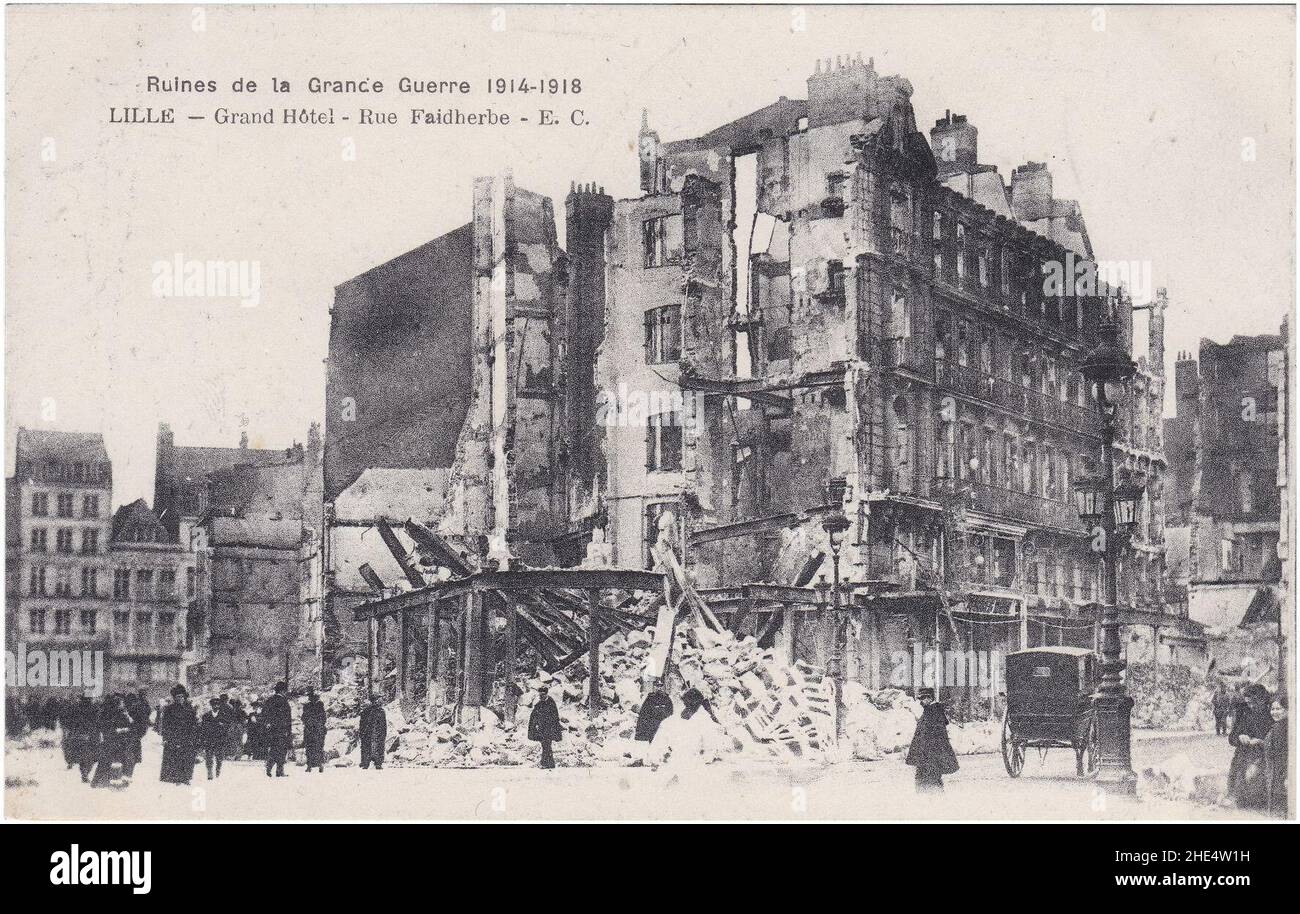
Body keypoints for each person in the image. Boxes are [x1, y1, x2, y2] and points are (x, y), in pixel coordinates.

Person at [1224, 683, 1272, 810]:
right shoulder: (1245, 714)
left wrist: (1261, 742)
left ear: (1262, 700)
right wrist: (1240, 737)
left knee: (1254, 785)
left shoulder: (1272, 715)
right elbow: (1231, 738)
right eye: (1248, 703)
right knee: (1238, 789)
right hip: (1242, 757)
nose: (1250, 706)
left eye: (1253, 703)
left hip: (1262, 757)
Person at [905, 688, 959, 793]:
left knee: (930, 782)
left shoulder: (934, 711)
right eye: (920, 698)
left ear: (929, 698)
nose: (921, 701)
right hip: (926, 756)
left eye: (923, 698)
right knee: (927, 781)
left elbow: (936, 736)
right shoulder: (929, 711)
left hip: (931, 756)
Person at [91, 695, 135, 788]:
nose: (123, 704)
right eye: (121, 703)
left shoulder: (105, 713)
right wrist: (123, 729)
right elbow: (130, 725)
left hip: (108, 741)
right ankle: (114, 783)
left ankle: (98, 782)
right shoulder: (120, 714)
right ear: (118, 704)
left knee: (105, 762)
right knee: (116, 763)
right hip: (117, 742)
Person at [159, 684, 198, 785]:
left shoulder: (190, 709)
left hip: (187, 736)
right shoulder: (169, 709)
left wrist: (194, 737)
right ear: (174, 698)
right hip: (173, 736)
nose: (180, 699)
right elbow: (165, 725)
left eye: (181, 697)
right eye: (177, 697)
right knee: (174, 757)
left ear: (184, 697)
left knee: (187, 757)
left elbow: (194, 724)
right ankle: (175, 777)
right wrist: (165, 738)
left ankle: (186, 778)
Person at [633, 679, 674, 765]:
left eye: (660, 686)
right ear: (653, 687)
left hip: (663, 725)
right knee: (653, 744)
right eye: (656, 686)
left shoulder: (667, 699)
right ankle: (654, 760)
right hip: (652, 726)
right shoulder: (649, 699)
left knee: (665, 743)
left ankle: (664, 759)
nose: (658, 688)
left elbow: (671, 713)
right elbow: (643, 714)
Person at [1263, 692, 1288, 818]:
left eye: (1279, 709)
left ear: (1288, 710)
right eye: (1272, 709)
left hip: (1279, 775)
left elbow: (1283, 754)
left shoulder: (1280, 728)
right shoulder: (1279, 726)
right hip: (1275, 774)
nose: (1274, 712)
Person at [527, 682, 562, 769]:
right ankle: (549, 763)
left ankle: (546, 763)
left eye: (542, 695)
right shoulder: (539, 704)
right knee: (545, 745)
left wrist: (554, 728)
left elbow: (555, 717)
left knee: (546, 745)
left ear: (546, 694)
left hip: (549, 729)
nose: (540, 697)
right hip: (542, 729)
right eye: (540, 695)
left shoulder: (551, 703)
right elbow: (534, 716)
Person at [261, 681, 293, 778]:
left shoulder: (269, 700)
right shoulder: (284, 702)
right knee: (282, 750)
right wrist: (289, 731)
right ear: (283, 691)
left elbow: (264, 714)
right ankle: (279, 770)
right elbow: (288, 718)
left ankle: (270, 766)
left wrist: (267, 724)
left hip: (271, 730)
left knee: (274, 748)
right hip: (282, 730)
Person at [198, 698, 226, 780]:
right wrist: (202, 740)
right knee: (209, 757)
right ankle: (209, 772)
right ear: (211, 706)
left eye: (217, 705)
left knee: (219, 758)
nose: (215, 706)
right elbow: (202, 729)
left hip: (219, 740)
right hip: (209, 740)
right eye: (214, 705)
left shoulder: (223, 716)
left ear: (219, 706)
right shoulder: (206, 716)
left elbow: (226, 729)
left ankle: (218, 769)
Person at [358, 694, 388, 770]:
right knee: (367, 747)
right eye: (378, 699)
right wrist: (362, 733)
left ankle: (378, 763)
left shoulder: (381, 711)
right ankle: (365, 762)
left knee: (378, 747)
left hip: (378, 733)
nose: (380, 701)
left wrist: (384, 733)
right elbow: (362, 723)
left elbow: (384, 724)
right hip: (368, 733)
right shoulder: (367, 711)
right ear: (374, 701)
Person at [301, 688, 327, 773]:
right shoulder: (320, 705)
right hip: (318, 730)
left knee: (310, 747)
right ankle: (319, 765)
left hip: (310, 730)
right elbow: (323, 718)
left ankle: (310, 765)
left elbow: (303, 718)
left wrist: (308, 723)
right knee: (318, 747)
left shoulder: (307, 706)